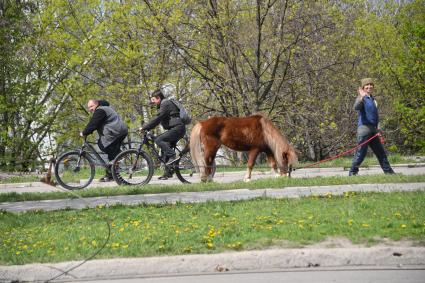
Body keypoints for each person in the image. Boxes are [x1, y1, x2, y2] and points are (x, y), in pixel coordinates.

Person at [349, 78, 395, 176]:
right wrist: (361, 97)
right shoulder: (361, 98)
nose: (369, 87)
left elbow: (376, 117)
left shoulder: (373, 100)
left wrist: (378, 130)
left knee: (381, 152)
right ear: (363, 88)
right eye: (367, 85)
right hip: (364, 130)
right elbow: (356, 107)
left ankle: (389, 172)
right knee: (361, 153)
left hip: (373, 131)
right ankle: (352, 172)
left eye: (371, 85)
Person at [139, 88, 186, 180]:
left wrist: (145, 127)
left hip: (178, 128)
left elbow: (158, 118)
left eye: (153, 100)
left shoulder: (165, 103)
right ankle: (167, 173)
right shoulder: (162, 104)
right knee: (165, 149)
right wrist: (148, 128)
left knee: (159, 140)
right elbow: (158, 121)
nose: (152, 102)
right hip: (175, 128)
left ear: (158, 98)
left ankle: (173, 155)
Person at [81, 99, 128, 182]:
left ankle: (119, 156)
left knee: (103, 145)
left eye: (91, 106)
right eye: (88, 107)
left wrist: (84, 132)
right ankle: (111, 174)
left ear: (96, 104)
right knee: (111, 154)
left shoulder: (100, 110)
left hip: (116, 132)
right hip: (120, 131)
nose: (90, 109)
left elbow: (93, 123)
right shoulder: (104, 108)